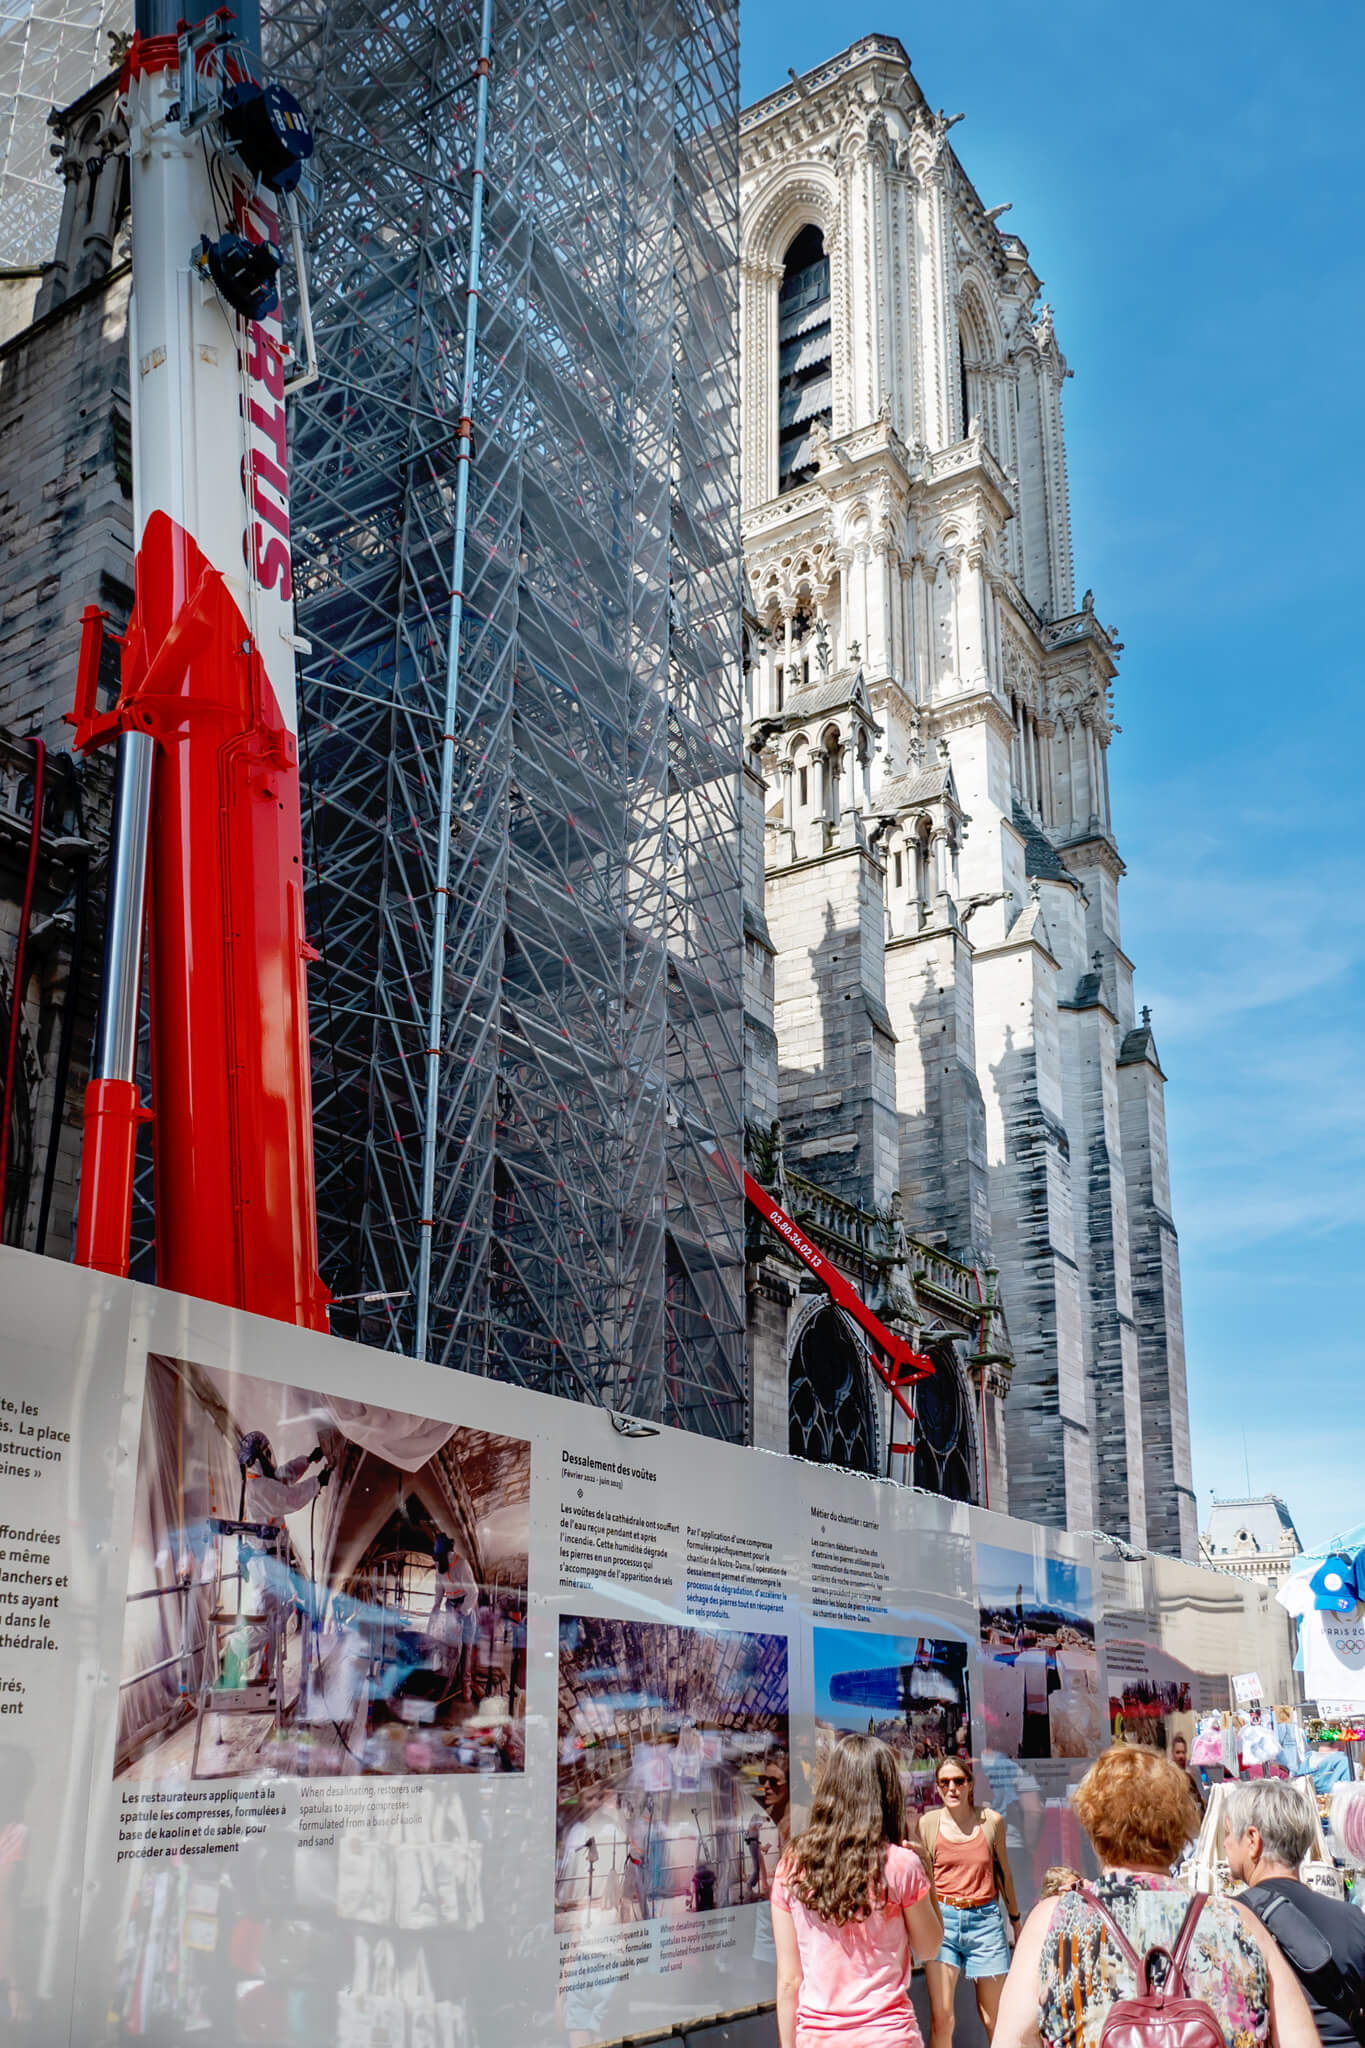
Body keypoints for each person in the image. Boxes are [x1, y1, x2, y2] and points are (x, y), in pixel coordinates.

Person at [993, 1745, 1320, 2048]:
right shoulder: (1238, 1920)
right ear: (1180, 1827)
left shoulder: (1056, 1920)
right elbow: (1300, 2040)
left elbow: (1013, 2040)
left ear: (1094, 1827)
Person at [772, 1733, 942, 2048]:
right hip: (888, 2035)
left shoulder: (790, 1867)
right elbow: (930, 1948)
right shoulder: (901, 1864)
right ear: (887, 1792)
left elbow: (788, 1982)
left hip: (817, 2037)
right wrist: (927, 1873)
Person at [1225, 1777, 1365, 2046]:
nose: (1226, 1843)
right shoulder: (1353, 1919)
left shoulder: (1229, 1920)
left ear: (1253, 1839)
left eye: (1229, 1832)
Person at [916, 1756, 1020, 2048]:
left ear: (970, 1784)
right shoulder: (928, 1823)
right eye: (944, 1782)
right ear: (937, 1788)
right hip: (943, 1920)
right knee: (943, 2019)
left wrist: (1016, 1919)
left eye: (958, 1781)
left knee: (994, 2019)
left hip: (985, 1920)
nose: (952, 1788)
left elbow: (1004, 1873)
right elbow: (923, 1877)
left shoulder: (991, 1821)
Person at [1170, 1731, 1207, 1814]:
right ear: (1172, 1752)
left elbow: (1200, 1796)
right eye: (1178, 1752)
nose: (1181, 1756)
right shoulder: (1169, 1773)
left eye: (1183, 1752)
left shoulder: (1192, 1771)